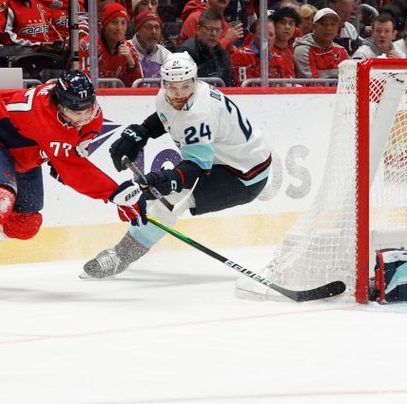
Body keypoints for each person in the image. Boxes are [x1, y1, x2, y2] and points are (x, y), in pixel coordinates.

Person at [0, 71, 148, 293]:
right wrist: (114, 193)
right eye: (75, 113)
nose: (83, 119)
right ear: (58, 105)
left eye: (87, 110)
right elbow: (73, 170)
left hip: (29, 151)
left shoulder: (89, 115)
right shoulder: (44, 116)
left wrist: (61, 159)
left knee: (26, 226)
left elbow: (71, 154)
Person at [81, 53, 272, 278]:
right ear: (163, 83)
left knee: (169, 202)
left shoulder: (199, 113)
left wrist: (168, 180)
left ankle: (119, 257)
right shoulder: (168, 97)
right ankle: (134, 243)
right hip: (231, 161)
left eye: (185, 86)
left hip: (244, 176)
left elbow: (196, 169)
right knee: (154, 196)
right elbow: (167, 115)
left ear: (195, 80)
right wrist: (141, 132)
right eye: (172, 87)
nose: (178, 93)